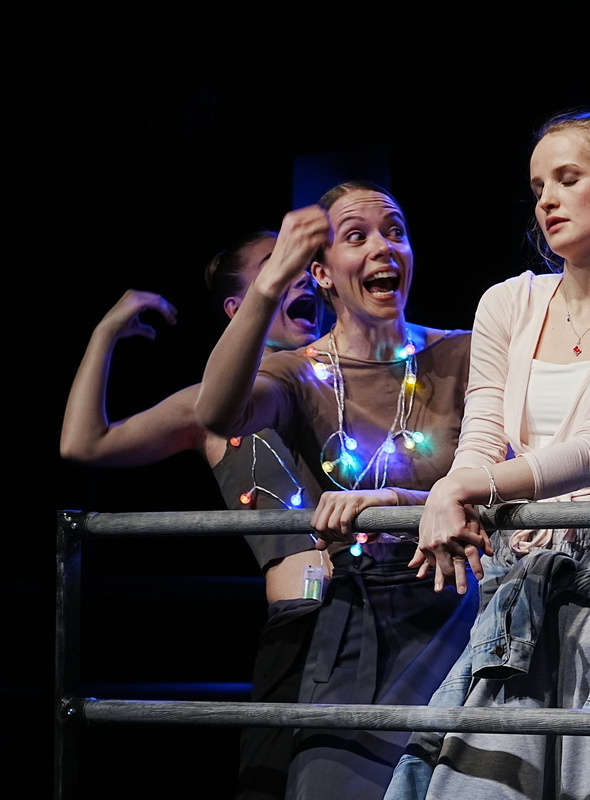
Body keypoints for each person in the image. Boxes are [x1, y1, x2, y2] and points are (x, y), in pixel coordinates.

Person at [383, 103, 590, 800]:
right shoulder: (508, 303)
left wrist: (462, 490)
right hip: (523, 574)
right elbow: (481, 437)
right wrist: (456, 486)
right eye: (538, 187)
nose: (547, 201)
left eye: (567, 179)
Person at [193, 181, 478, 800]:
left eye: (395, 231)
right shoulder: (297, 373)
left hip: (464, 610)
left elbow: (503, 480)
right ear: (320, 272)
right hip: (357, 619)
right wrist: (270, 282)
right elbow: (216, 414)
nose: (383, 247)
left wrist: (402, 504)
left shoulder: (465, 353)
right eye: (357, 236)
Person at [59, 231, 329, 800]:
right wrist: (105, 332)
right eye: (277, 264)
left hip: (390, 608)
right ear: (238, 306)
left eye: (305, 261)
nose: (301, 272)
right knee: (273, 785)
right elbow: (84, 443)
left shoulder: (355, 377)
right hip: (302, 623)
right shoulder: (209, 407)